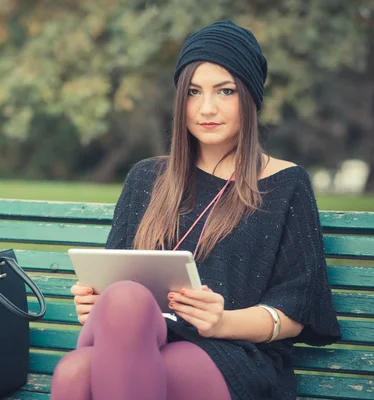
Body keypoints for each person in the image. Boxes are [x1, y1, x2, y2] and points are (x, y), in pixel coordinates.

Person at [50, 20, 341, 400]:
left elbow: (296, 311)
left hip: (229, 351)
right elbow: (114, 280)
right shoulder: (146, 178)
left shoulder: (286, 183)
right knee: (122, 302)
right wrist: (94, 302)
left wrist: (221, 322)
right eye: (193, 92)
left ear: (249, 98)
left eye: (225, 91)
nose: (206, 108)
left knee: (76, 374)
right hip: (142, 335)